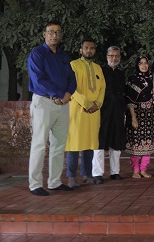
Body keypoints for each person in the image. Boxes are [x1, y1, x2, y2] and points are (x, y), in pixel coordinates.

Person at [27, 20, 77, 196]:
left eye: (57, 32)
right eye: (51, 32)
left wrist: (68, 94)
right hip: (44, 102)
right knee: (40, 144)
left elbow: (72, 78)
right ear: (44, 34)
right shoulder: (37, 54)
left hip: (63, 104)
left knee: (58, 144)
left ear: (60, 35)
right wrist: (58, 94)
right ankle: (34, 184)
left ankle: (54, 182)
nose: (54, 35)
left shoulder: (63, 55)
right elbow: (38, 79)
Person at [66, 39, 106, 187]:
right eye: (86, 48)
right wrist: (86, 103)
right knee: (74, 144)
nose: (89, 50)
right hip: (77, 110)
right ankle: (71, 176)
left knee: (89, 143)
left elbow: (102, 87)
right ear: (80, 50)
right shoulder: (73, 65)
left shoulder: (97, 68)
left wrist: (97, 104)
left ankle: (87, 174)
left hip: (94, 112)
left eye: (92, 48)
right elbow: (70, 87)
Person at [92, 46, 126, 182]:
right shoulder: (100, 71)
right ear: (106, 57)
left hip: (117, 112)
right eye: (111, 56)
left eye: (116, 56)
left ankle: (115, 172)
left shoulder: (121, 73)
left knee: (116, 141)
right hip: (103, 111)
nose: (114, 58)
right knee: (100, 142)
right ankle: (97, 173)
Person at [125, 55, 154, 178]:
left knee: (148, 143)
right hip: (136, 114)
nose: (144, 65)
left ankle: (143, 169)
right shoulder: (132, 79)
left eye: (145, 63)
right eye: (141, 63)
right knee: (136, 144)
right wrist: (134, 118)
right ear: (137, 65)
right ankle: (135, 170)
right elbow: (129, 100)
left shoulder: (153, 79)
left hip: (149, 115)